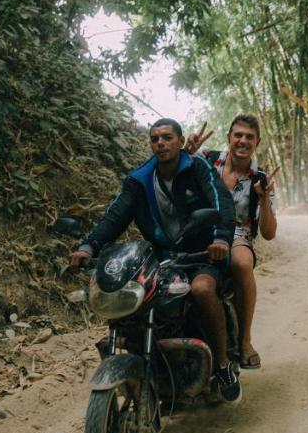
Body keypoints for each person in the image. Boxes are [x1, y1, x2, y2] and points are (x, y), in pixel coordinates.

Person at [69, 118, 242, 403]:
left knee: (201, 290)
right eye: (155, 139)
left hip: (200, 254)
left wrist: (221, 239)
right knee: (133, 300)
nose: (160, 143)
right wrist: (88, 245)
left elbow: (221, 202)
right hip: (160, 259)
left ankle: (222, 367)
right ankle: (148, 365)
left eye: (167, 137)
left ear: (180, 141)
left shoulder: (198, 168)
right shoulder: (139, 180)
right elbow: (115, 216)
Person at [185, 114, 276, 370]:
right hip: (199, 229)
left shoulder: (260, 178)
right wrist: (186, 152)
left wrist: (265, 198)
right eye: (238, 135)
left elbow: (268, 233)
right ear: (229, 137)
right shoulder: (206, 159)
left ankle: (244, 340)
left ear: (257, 142)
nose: (243, 141)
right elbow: (175, 175)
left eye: (249, 137)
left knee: (242, 263)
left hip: (237, 235)